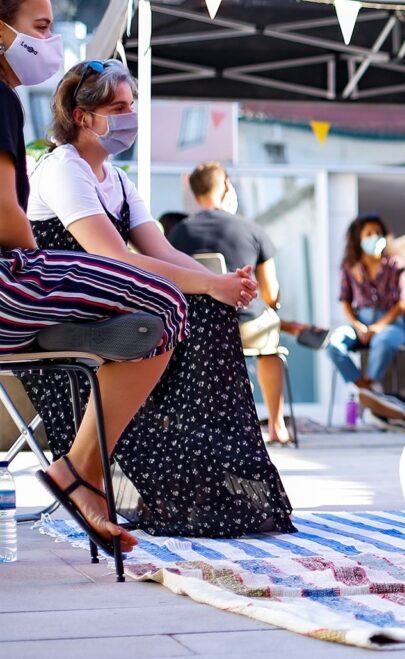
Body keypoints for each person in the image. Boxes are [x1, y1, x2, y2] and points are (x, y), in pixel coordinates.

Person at [19, 58, 295, 538]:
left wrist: (225, 285)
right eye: (118, 107)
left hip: (105, 309)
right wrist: (211, 284)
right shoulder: (63, 168)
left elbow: (160, 249)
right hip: (60, 313)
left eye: (132, 105)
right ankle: (165, 479)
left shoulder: (117, 179)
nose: (130, 116)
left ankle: (194, 481)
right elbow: (112, 258)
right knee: (188, 309)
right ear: (83, 116)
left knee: (209, 311)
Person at [0, 0, 188, 555]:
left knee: (154, 315)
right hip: (9, 286)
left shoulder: (116, 177)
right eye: (41, 28)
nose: (50, 41)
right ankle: (80, 473)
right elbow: (7, 217)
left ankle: (82, 473)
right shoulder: (8, 106)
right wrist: (34, 259)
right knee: (167, 303)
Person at [170, 161, 292, 445]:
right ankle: (276, 426)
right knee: (270, 348)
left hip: (194, 329)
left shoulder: (176, 234)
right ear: (226, 187)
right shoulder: (252, 229)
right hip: (245, 325)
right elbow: (271, 292)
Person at [326, 213, 405, 402]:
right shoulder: (350, 266)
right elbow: (345, 301)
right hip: (360, 322)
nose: (374, 237)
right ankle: (365, 388)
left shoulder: (395, 264)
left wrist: (378, 327)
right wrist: (358, 325)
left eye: (378, 233)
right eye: (368, 234)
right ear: (359, 238)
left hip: (391, 323)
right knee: (334, 345)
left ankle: (371, 384)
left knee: (381, 341)